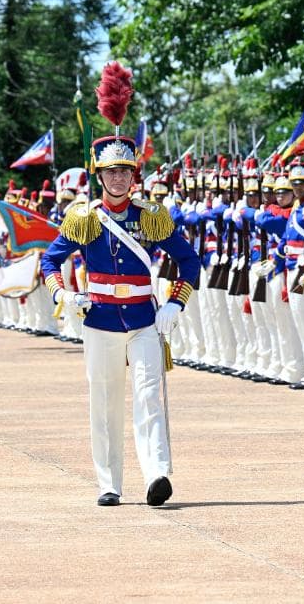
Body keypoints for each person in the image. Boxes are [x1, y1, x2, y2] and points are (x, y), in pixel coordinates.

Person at [40, 61, 201, 507]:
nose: (118, 178)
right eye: (111, 172)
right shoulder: (84, 218)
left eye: (125, 172)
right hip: (100, 320)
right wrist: (63, 295)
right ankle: (109, 482)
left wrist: (176, 304)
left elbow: (190, 262)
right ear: (99, 175)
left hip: (145, 319)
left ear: (134, 175)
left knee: (149, 396)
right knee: (105, 403)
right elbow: (50, 263)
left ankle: (157, 475)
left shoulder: (150, 216)